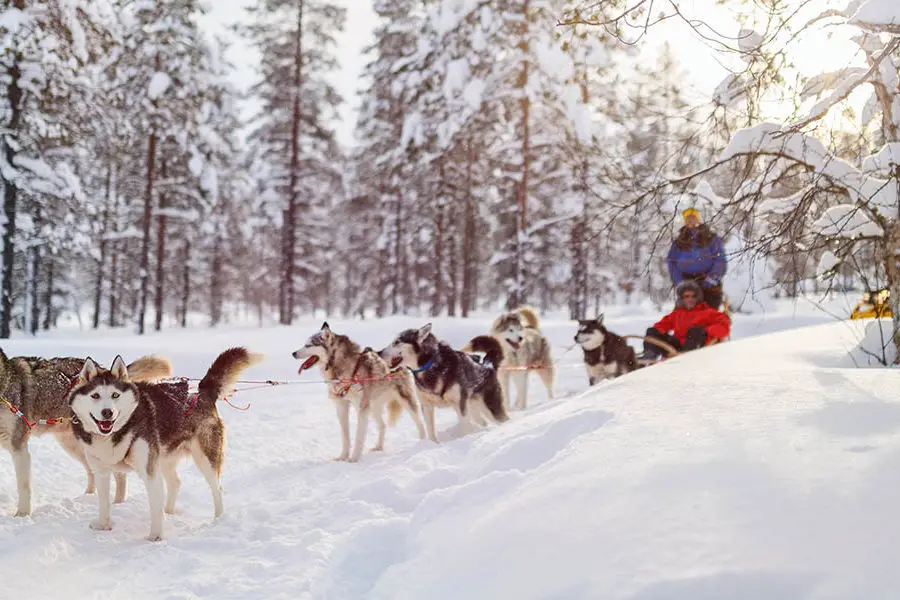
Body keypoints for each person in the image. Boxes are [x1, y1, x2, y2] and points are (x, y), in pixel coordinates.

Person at [638, 280, 731, 361]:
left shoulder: (708, 312)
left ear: (698, 298)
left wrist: (707, 331)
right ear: (682, 299)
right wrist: (656, 334)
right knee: (652, 331)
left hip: (696, 345)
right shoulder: (677, 314)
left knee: (695, 330)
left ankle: (687, 355)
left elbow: (724, 326)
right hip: (676, 345)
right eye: (687, 296)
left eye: (693, 296)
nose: (690, 299)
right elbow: (661, 325)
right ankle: (650, 354)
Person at [667, 207, 727, 310]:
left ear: (698, 219)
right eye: (687, 217)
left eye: (693, 216)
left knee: (709, 314)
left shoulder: (711, 238)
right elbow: (671, 262)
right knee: (684, 316)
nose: (690, 219)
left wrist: (712, 278)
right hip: (686, 282)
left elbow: (720, 259)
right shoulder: (679, 241)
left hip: (708, 283)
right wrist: (680, 282)